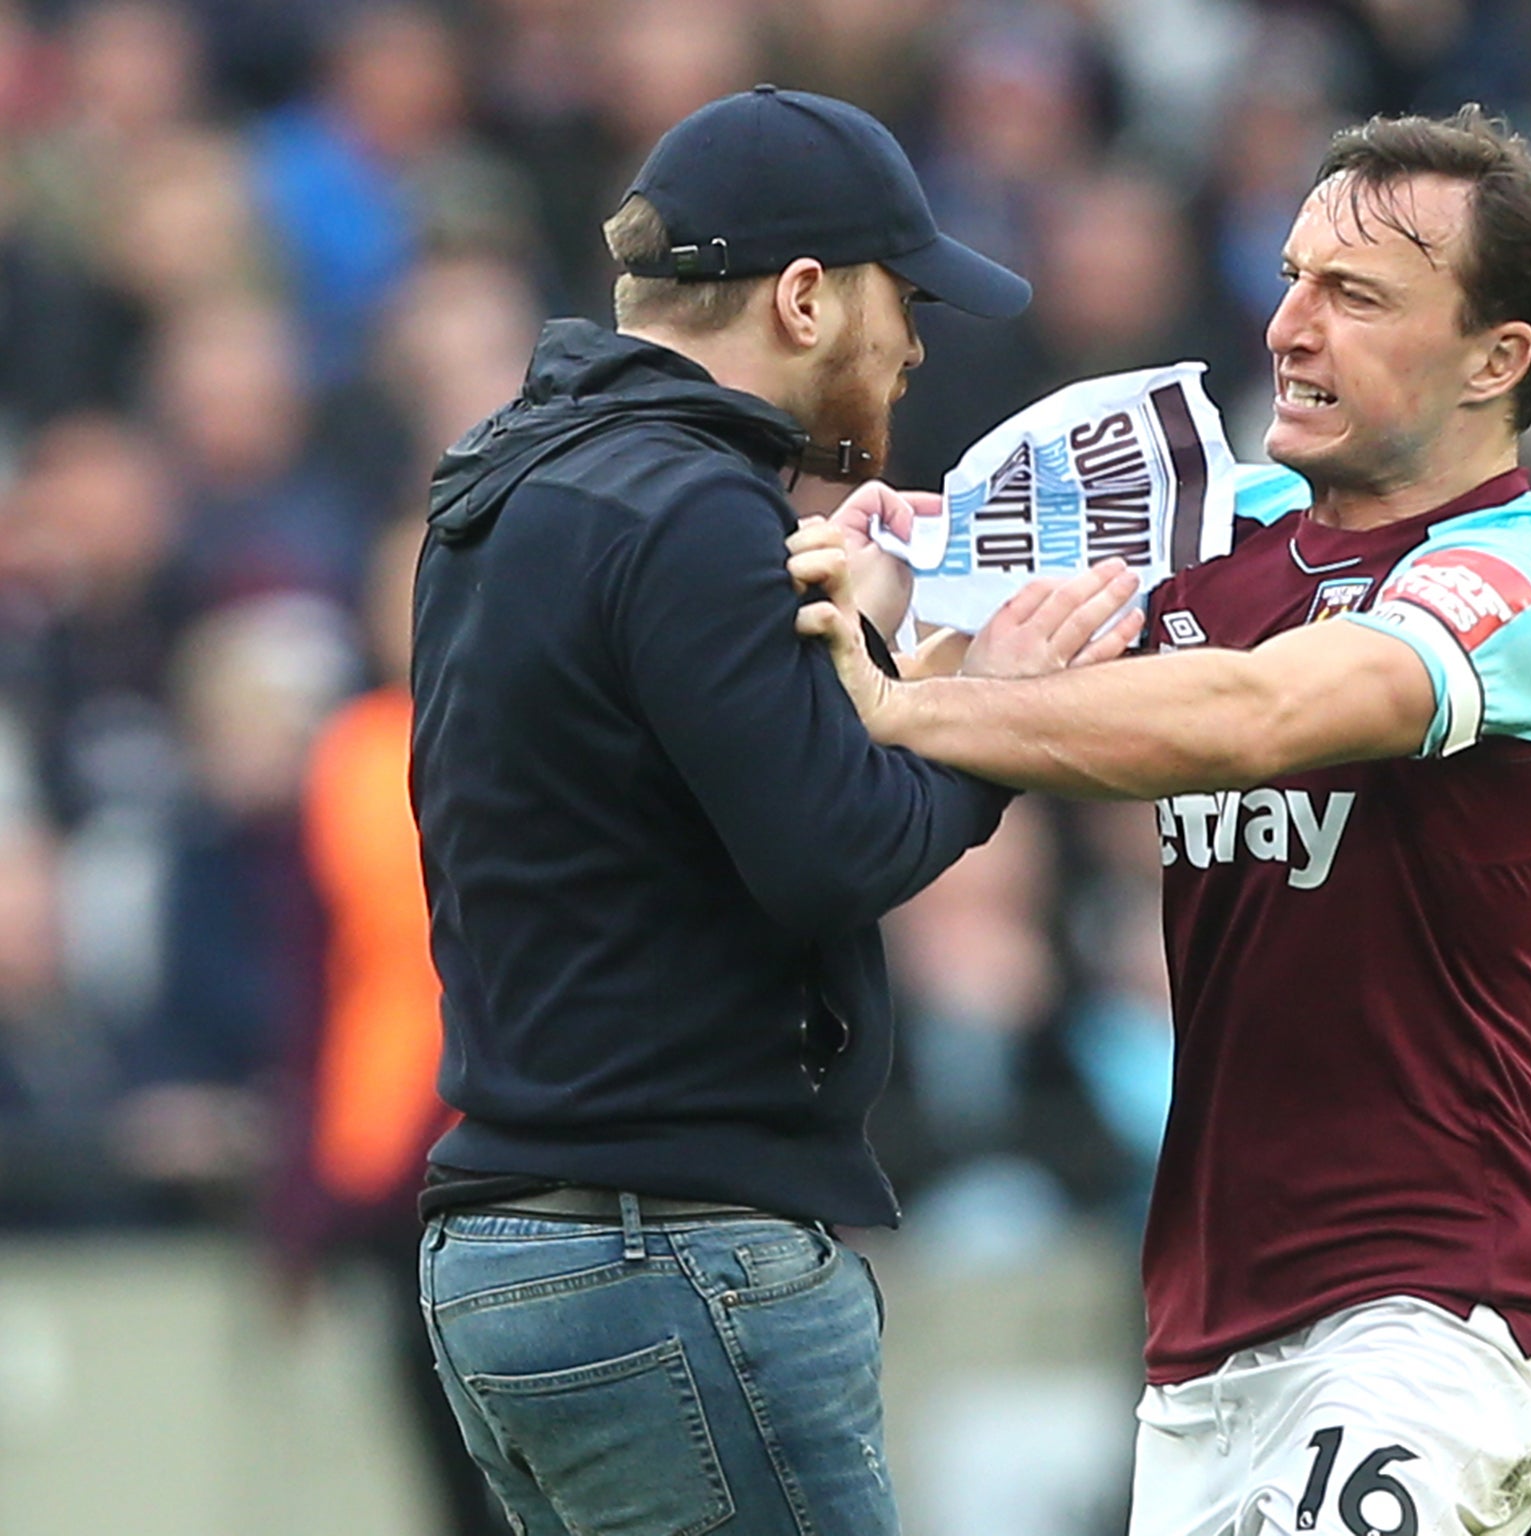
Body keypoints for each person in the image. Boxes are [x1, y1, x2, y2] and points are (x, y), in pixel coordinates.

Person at [790, 107, 1531, 1536]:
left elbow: (1260, 716)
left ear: (1499, 359)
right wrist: (861, 579)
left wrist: (911, 707)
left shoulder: (1524, 582)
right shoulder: (1205, 526)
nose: (1292, 325)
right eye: (1294, 275)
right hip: (1205, 1346)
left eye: (1357, 296)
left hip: (1437, 1313)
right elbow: (876, 567)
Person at [408, 85, 1133, 1536]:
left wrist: (877, 668)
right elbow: (835, 849)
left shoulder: (509, 486)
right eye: (900, 297)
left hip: (506, 1250)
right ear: (804, 297)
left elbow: (671, 810)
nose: (916, 344)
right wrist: (997, 707)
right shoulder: (692, 508)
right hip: (666, 1249)